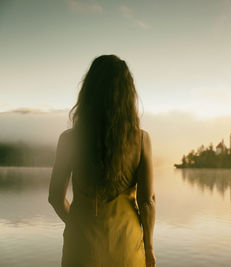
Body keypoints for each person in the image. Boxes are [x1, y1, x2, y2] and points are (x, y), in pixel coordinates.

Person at [48, 55, 156, 267]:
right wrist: (149, 248)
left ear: (88, 92)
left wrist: (76, 223)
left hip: (80, 247)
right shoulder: (141, 139)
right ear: (128, 93)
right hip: (127, 245)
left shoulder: (69, 140)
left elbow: (55, 197)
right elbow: (147, 202)